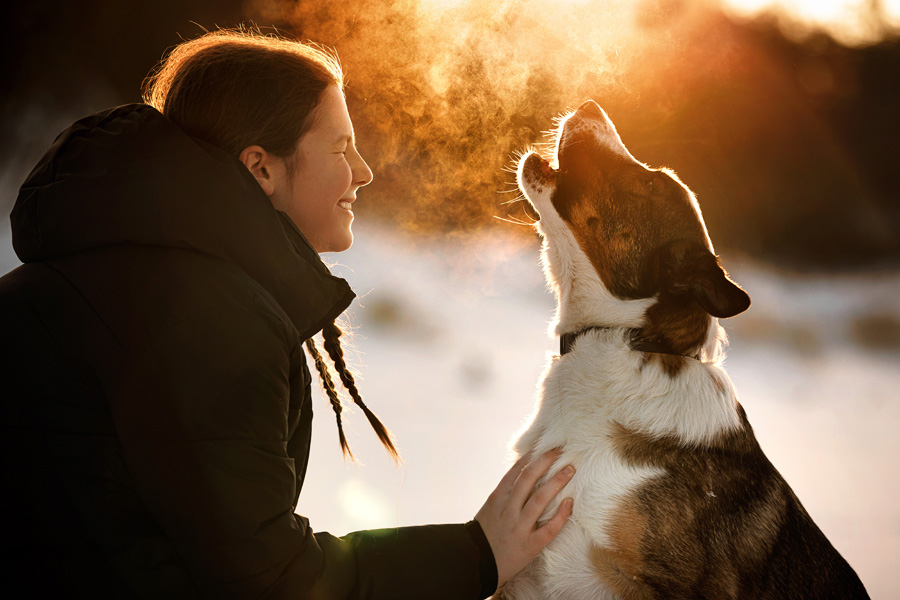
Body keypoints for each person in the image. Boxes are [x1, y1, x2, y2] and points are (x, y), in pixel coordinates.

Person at [0, 29, 574, 598]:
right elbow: (273, 584)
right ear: (262, 169)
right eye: (340, 148)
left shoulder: (133, 274)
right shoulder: (204, 318)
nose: (364, 172)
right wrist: (479, 554)